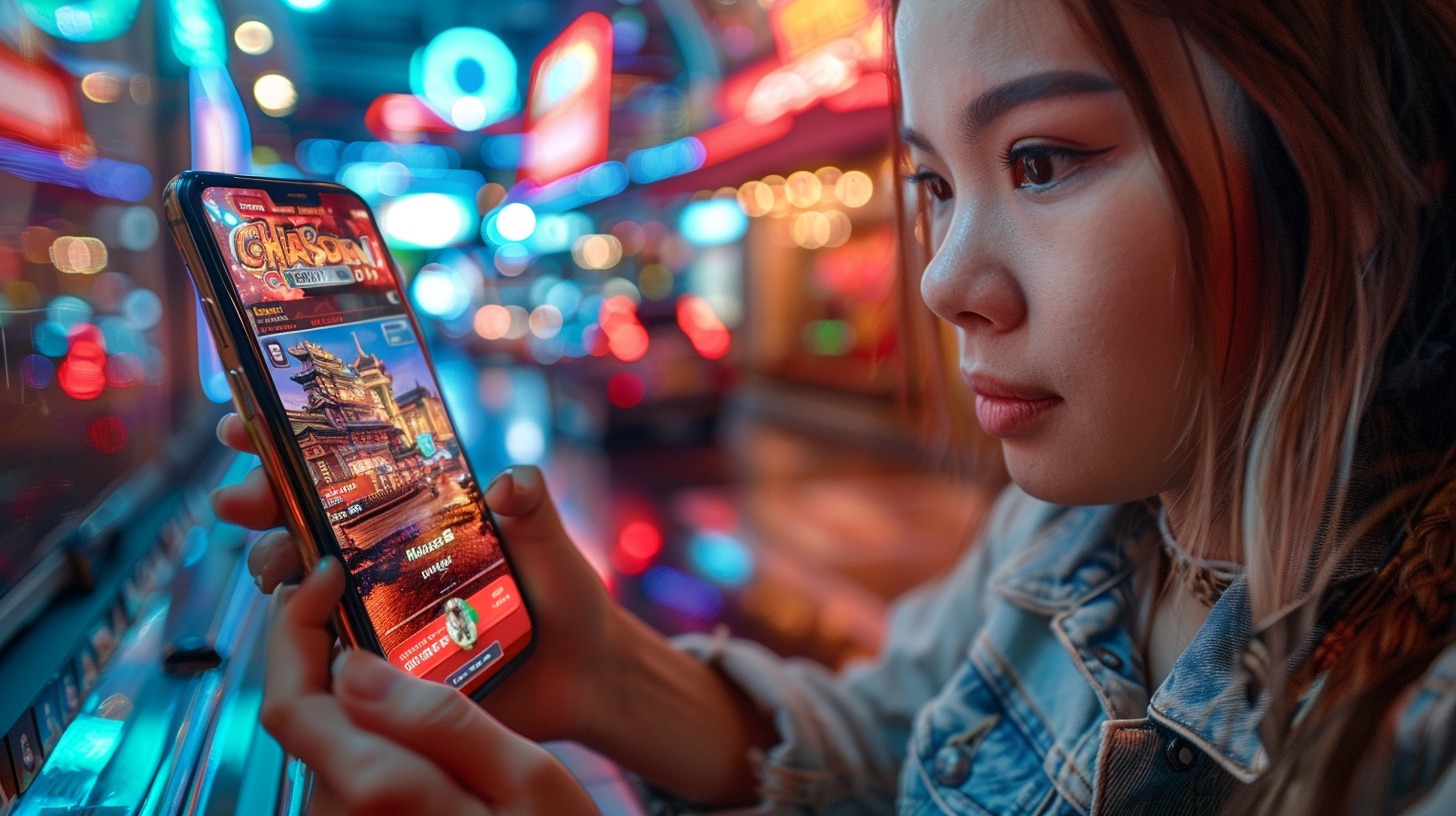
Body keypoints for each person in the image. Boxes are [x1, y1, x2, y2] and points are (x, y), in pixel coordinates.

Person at [213, 0, 1456, 812]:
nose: (941, 281)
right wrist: (609, 676)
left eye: (1040, 161)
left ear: (1346, 176)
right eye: (931, 182)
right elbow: (895, 745)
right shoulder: (1067, 531)